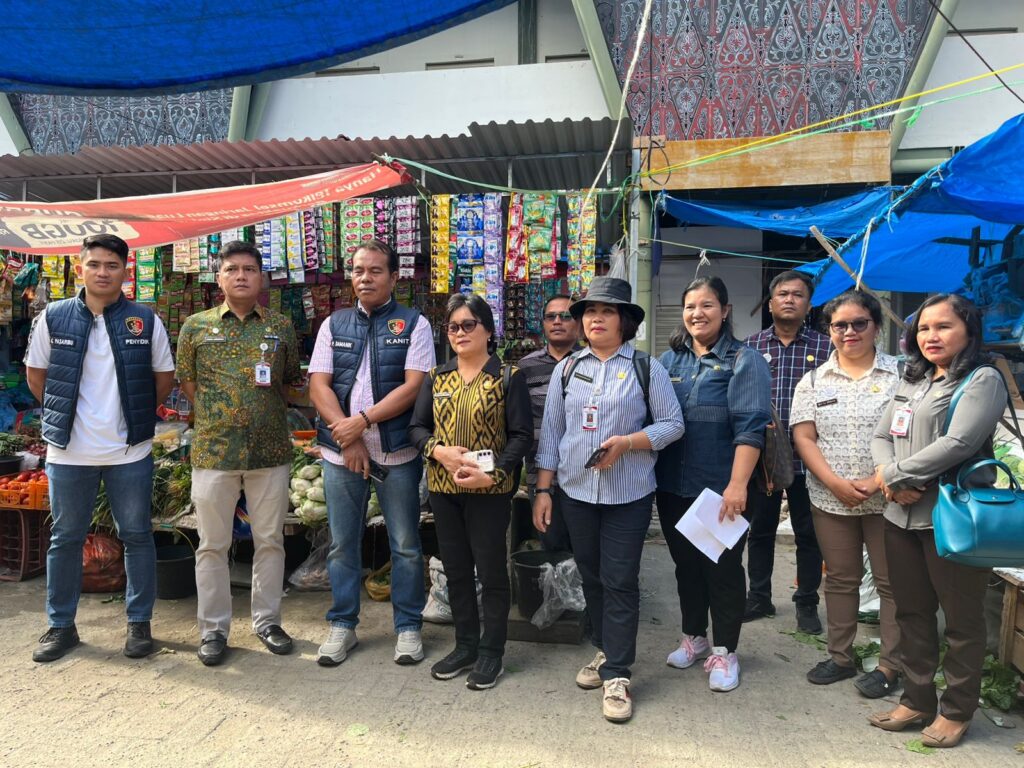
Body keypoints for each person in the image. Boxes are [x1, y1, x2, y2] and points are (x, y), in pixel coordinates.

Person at [534, 276, 684, 723]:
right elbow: (553, 436)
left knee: (620, 579)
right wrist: (544, 490)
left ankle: (618, 673)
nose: (596, 318)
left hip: (629, 495)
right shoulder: (568, 369)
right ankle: (604, 649)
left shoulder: (645, 367)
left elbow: (673, 424)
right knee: (593, 576)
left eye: (607, 311)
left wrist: (631, 441)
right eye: (589, 311)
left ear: (624, 321)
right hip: (576, 493)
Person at [26, 234, 176, 662]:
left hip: (129, 451)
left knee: (136, 535)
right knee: (65, 539)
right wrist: (64, 416)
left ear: (125, 271)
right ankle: (60, 626)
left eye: (112, 265)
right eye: (94, 264)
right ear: (80, 268)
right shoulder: (53, 318)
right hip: (68, 452)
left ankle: (139, 624)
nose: (103, 272)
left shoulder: (144, 320)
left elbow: (162, 379)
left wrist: (135, 416)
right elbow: (37, 376)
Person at [869, 294, 1005, 748]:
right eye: (924, 328)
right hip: (899, 515)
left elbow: (960, 443)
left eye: (943, 327)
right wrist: (891, 480)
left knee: (963, 621)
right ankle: (917, 698)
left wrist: (893, 475)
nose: (931, 336)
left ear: (968, 331)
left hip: (952, 521)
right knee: (911, 614)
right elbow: (880, 434)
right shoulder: (915, 378)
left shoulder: (982, 379)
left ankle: (958, 709)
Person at [308, 240, 434, 667]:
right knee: (343, 545)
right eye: (359, 270)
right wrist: (350, 438)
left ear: (394, 277)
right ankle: (343, 625)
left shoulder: (413, 324)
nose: (366, 277)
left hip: (397, 454)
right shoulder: (334, 324)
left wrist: (361, 422)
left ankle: (408, 627)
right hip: (342, 455)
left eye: (376, 270)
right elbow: (318, 386)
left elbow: (413, 386)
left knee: (405, 545)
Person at [176, 241, 302, 667]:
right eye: (233, 269)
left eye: (250, 268)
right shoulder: (195, 327)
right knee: (212, 544)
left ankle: (267, 621)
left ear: (262, 277)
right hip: (214, 452)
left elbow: (288, 383)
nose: (242, 276)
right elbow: (188, 385)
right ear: (220, 277)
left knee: (270, 541)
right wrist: (221, 416)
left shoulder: (281, 326)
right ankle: (213, 630)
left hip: (270, 451)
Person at [408, 293, 532, 691]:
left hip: (490, 493)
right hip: (445, 491)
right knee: (457, 572)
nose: (460, 333)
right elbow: (417, 429)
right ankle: (465, 645)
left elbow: (521, 437)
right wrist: (438, 451)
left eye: (468, 325)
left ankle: (492, 652)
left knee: (492, 572)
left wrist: (491, 472)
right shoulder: (436, 377)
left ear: (488, 330)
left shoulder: (508, 377)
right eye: (453, 327)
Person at [655, 276, 771, 693]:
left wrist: (738, 485)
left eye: (707, 305)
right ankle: (695, 636)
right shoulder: (669, 363)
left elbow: (751, 428)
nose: (697, 314)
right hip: (672, 488)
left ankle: (725, 649)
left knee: (721, 571)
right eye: (690, 306)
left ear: (725, 311)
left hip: (720, 490)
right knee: (685, 567)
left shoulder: (744, 360)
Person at [790, 290, 901, 697]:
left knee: (892, 583)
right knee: (840, 579)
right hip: (831, 497)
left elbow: (909, 434)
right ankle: (840, 656)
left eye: (859, 323)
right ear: (829, 330)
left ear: (876, 326)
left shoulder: (901, 375)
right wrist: (835, 483)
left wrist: (879, 479)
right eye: (840, 325)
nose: (849, 332)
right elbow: (804, 437)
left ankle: (891, 665)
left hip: (889, 495)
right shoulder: (814, 380)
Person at [744, 270, 831, 633]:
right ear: (770, 303)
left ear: (808, 305)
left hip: (810, 458)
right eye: (782, 294)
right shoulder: (749, 347)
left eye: (798, 295)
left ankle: (806, 601)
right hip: (761, 459)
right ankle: (759, 597)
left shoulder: (826, 348)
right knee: (759, 530)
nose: (790, 299)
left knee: (809, 533)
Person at [517, 294, 581, 551]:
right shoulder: (526, 367)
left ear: (578, 323)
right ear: (542, 323)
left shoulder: (590, 362)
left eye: (566, 316)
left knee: (585, 550)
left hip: (583, 474)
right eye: (551, 316)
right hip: (540, 475)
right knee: (552, 545)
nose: (558, 322)